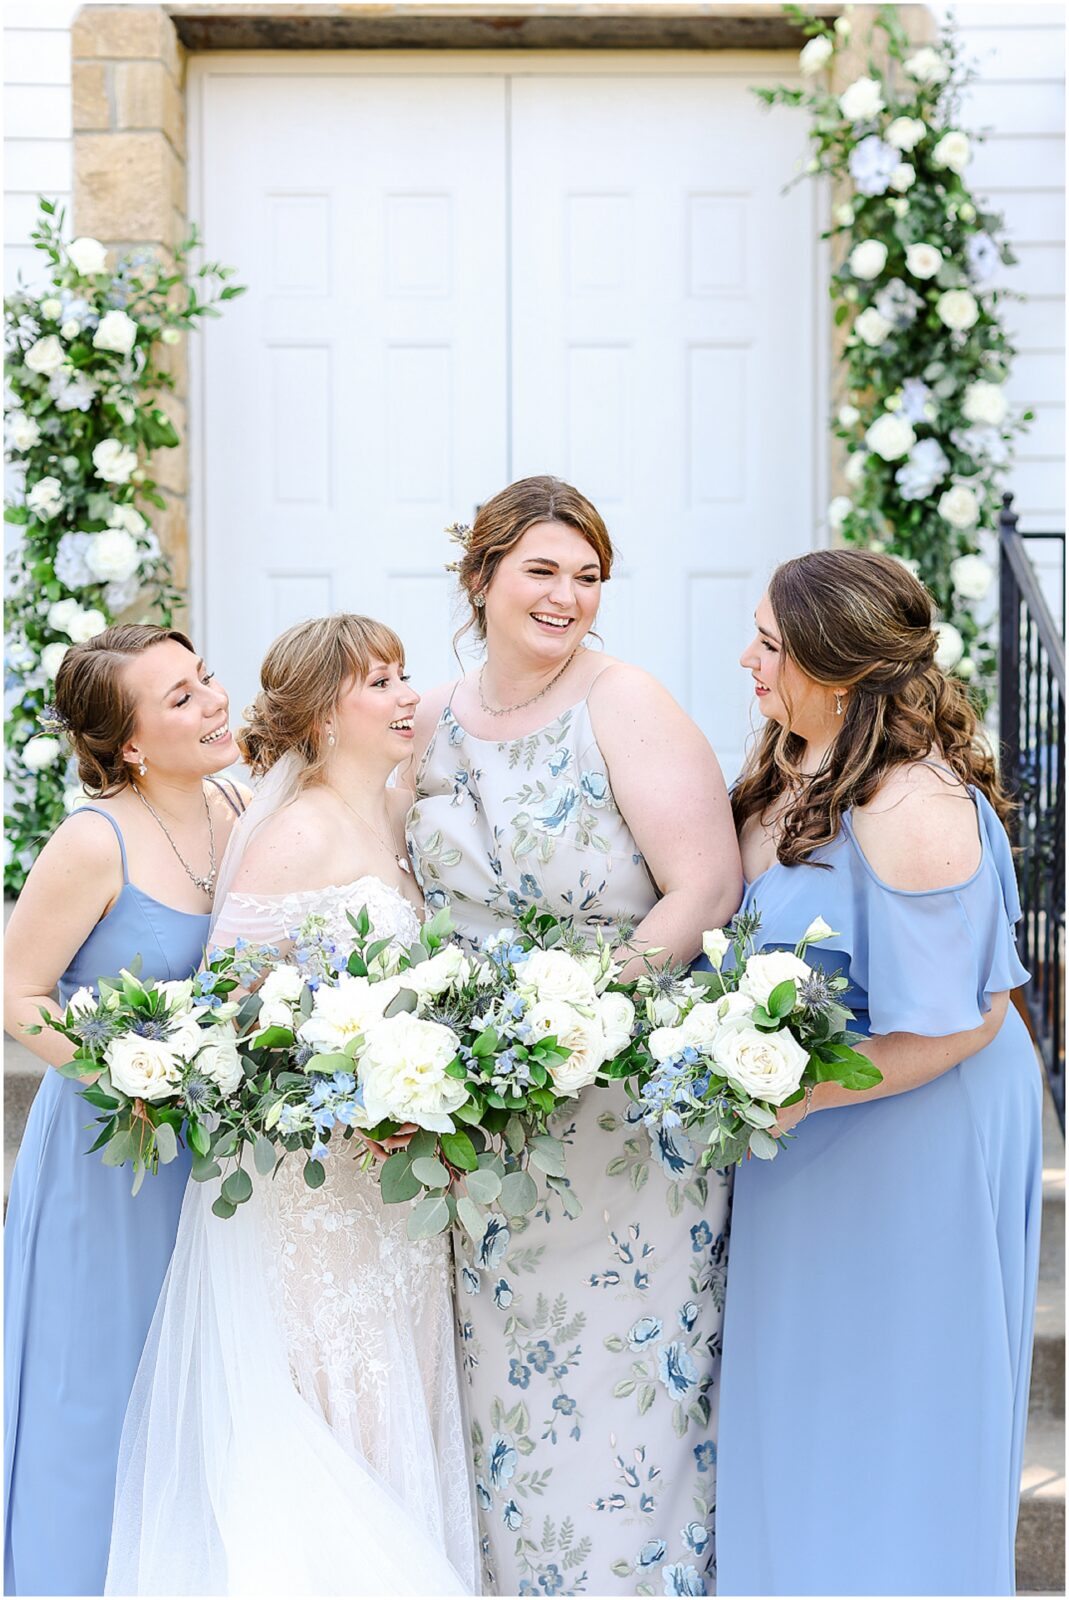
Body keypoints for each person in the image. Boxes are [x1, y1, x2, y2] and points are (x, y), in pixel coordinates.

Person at [405, 476, 743, 1596]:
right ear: (480, 576)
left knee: (618, 1396)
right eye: (542, 571)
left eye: (588, 576)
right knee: (498, 1397)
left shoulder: (625, 699)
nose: (567, 598)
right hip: (478, 1119)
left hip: (617, 1111)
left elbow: (702, 886)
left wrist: (582, 1021)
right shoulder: (428, 717)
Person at [106, 614, 477, 1596]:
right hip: (316, 1194)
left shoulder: (390, 810)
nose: (406, 696)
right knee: (338, 1413)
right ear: (320, 716)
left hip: (393, 1189)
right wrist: (354, 1095)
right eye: (378, 682)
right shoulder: (298, 832)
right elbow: (235, 1025)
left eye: (405, 676)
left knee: (396, 1405)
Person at [715, 549, 1042, 1597]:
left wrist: (791, 1092)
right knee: (800, 1398)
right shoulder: (793, 762)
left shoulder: (909, 807)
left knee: (895, 1403)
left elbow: (963, 1023)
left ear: (840, 666)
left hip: (908, 1129)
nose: (747, 662)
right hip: (811, 1125)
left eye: (770, 644)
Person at [3, 625, 246, 1596]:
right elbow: (19, 997)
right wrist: (133, 1074)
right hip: (110, 1161)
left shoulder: (237, 805)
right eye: (180, 698)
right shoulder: (91, 838)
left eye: (205, 678)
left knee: (192, 1391)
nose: (213, 702)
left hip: (214, 1152)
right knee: (96, 1387)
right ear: (132, 743)